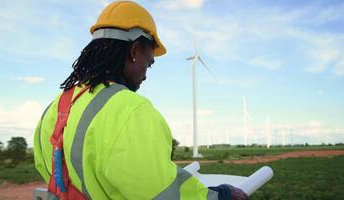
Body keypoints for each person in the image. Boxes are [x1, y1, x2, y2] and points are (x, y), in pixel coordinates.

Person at [33, 1, 248, 200]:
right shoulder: (130, 110)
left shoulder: (56, 107)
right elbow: (159, 192)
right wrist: (219, 196)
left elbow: (52, 172)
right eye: (149, 62)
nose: (145, 75)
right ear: (135, 50)